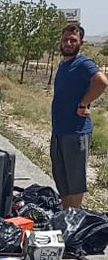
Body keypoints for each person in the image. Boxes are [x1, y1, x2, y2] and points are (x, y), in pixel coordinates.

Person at [50, 23, 108, 209]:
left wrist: (83, 103)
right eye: (65, 39)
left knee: (74, 179)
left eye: (73, 40)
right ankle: (67, 215)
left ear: (80, 42)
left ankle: (75, 217)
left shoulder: (83, 63)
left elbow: (101, 82)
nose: (68, 43)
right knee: (62, 177)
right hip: (59, 131)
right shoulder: (63, 64)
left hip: (76, 131)